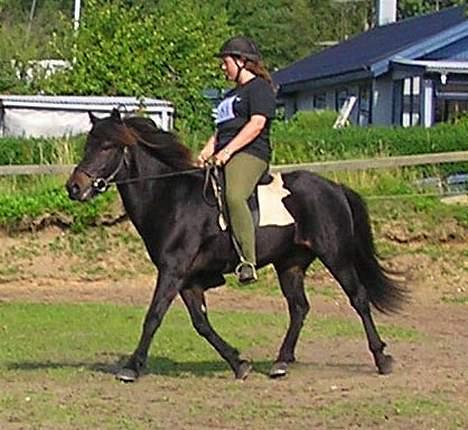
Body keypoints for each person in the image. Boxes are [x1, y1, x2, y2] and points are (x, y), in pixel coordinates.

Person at [197, 36, 276, 284]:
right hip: (224, 152)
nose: (223, 67)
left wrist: (227, 152)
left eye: (226, 61)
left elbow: (257, 124)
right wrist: (204, 153)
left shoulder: (260, 88)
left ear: (242, 61)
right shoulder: (229, 96)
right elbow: (220, 132)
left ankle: (248, 261)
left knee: (234, 195)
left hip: (251, 153)